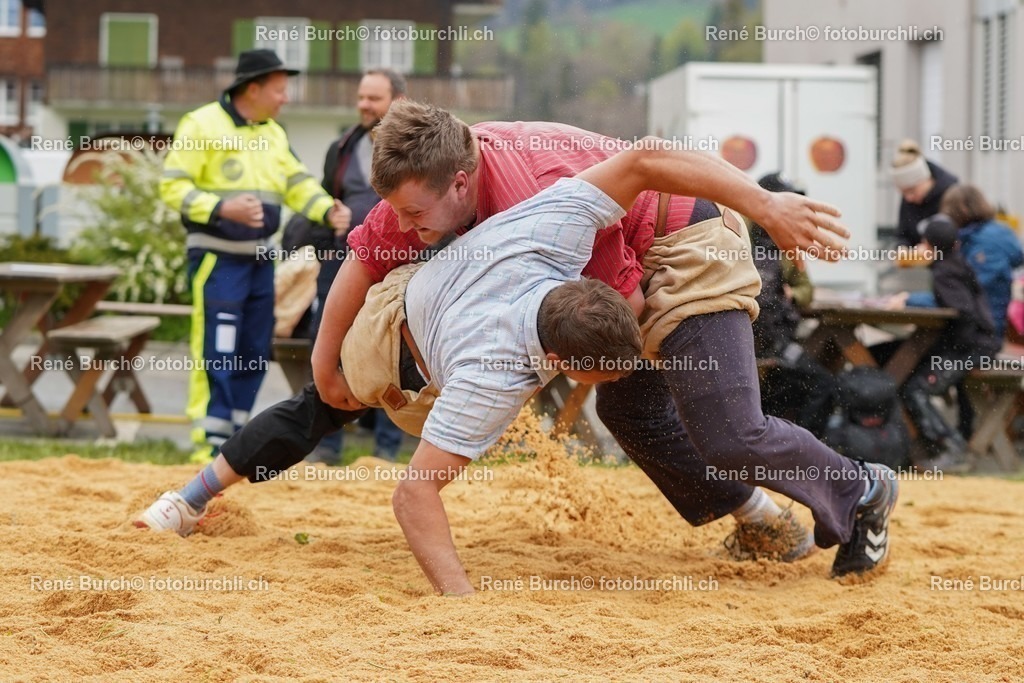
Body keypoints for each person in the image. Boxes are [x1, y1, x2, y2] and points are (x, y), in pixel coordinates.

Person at [139, 140, 899, 594]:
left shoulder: (544, 232)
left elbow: (645, 172)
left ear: (460, 182)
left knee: (725, 426)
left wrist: (763, 203)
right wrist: (326, 361)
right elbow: (366, 256)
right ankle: (759, 517)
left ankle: (861, 487)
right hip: (538, 298)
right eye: (403, 214)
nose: (407, 226)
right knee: (627, 407)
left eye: (417, 216)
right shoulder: (498, 235)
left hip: (682, 241)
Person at [159, 49, 350, 463]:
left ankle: (234, 444)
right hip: (217, 260)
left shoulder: (274, 134)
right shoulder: (201, 124)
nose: (286, 98)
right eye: (279, 90)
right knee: (217, 347)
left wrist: (326, 210)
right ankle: (207, 442)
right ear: (253, 89)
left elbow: (298, 184)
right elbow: (172, 187)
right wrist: (220, 208)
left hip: (262, 262)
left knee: (254, 350)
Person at [305, 69, 408, 465]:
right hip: (342, 263)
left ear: (398, 102)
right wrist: (328, 218)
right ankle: (328, 446)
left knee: (393, 348)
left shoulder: (415, 147)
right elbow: (324, 199)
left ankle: (386, 449)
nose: (364, 105)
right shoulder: (342, 148)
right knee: (330, 345)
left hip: (396, 268)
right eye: (361, 97)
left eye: (374, 99)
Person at [884, 215, 1002, 472]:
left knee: (916, 389)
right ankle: (935, 448)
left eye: (923, 243)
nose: (918, 248)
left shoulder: (945, 272)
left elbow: (963, 311)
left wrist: (951, 351)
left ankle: (954, 450)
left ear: (931, 247)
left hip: (973, 349)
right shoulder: (953, 265)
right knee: (911, 378)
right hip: (977, 345)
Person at [750, 173, 835, 438]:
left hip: (772, 342)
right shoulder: (738, 236)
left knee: (788, 387)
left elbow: (805, 290)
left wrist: (791, 294)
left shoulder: (787, 243)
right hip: (756, 343)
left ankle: (793, 446)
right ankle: (806, 449)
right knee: (820, 384)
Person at [940, 184, 1023, 340]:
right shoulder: (977, 236)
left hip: (983, 328)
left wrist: (913, 300)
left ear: (962, 209)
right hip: (985, 322)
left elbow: (967, 289)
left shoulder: (985, 242)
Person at [890, 139, 958, 248]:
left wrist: (930, 249)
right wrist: (902, 247)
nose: (908, 198)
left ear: (926, 179)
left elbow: (956, 238)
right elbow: (903, 234)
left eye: (912, 190)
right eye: (903, 192)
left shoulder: (952, 194)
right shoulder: (910, 199)